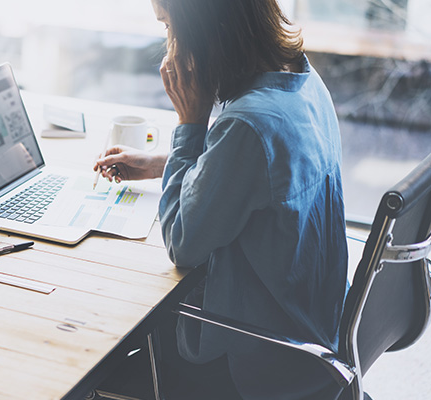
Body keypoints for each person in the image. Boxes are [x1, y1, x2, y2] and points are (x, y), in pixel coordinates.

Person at [94, 0, 349, 398]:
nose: (169, 46)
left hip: (260, 361)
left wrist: (190, 125)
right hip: (314, 335)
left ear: (203, 29)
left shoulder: (248, 124)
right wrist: (162, 163)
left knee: (98, 349)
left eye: (168, 28)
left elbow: (182, 243)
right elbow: (263, 169)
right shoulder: (301, 79)